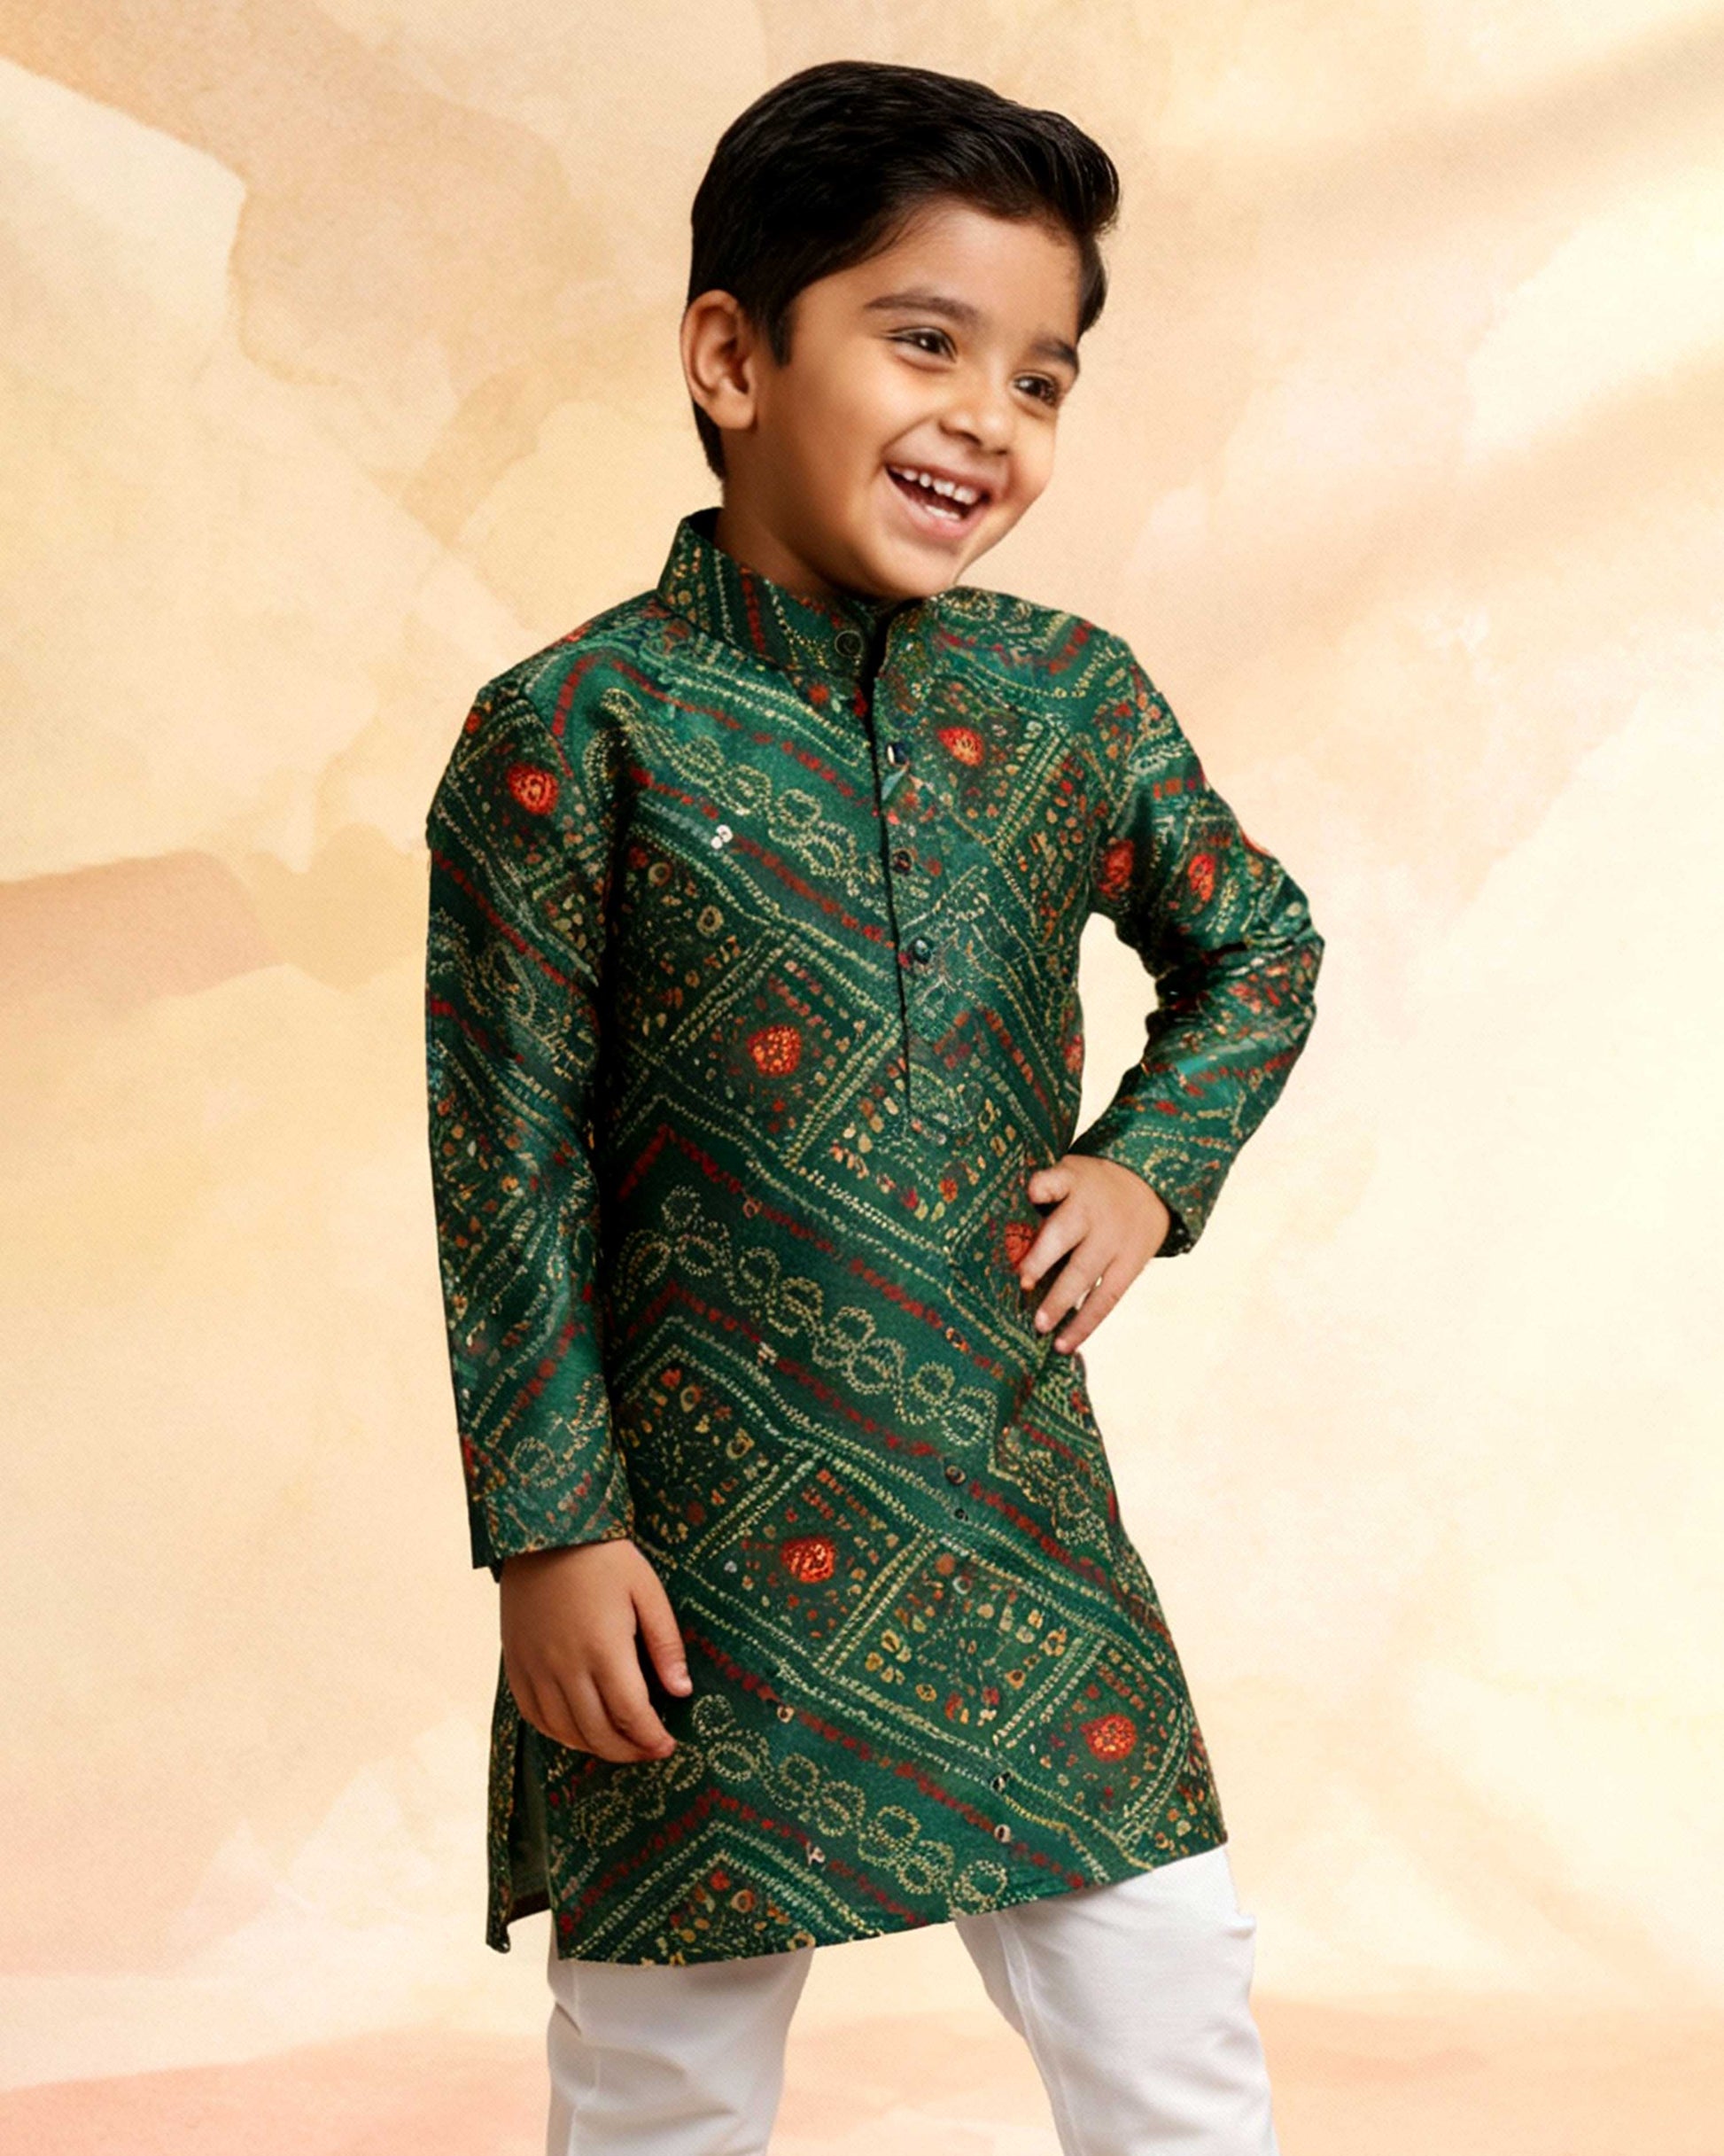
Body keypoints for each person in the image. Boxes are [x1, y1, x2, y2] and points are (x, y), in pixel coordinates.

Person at [423, 56, 1324, 2156]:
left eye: (1041, 377)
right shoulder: (572, 731)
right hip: (691, 1546)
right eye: (927, 342)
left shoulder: (1066, 699)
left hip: (1010, 1505)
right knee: (662, 2065)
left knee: (1169, 1994)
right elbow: (504, 1165)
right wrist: (549, 1530)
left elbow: (1258, 946)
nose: (988, 419)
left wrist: (1147, 1164)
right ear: (733, 358)